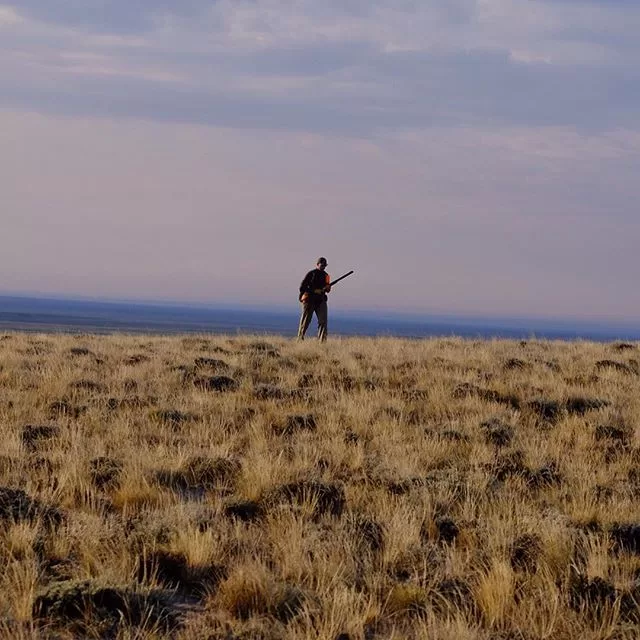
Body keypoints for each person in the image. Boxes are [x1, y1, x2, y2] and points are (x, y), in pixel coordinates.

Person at [298, 257, 332, 341]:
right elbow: (302, 287)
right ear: (317, 264)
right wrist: (314, 290)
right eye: (322, 265)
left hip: (321, 300)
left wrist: (328, 288)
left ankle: (322, 342)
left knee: (323, 321)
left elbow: (327, 289)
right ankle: (300, 339)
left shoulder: (326, 276)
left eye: (325, 265)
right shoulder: (311, 274)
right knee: (305, 321)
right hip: (309, 300)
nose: (323, 267)